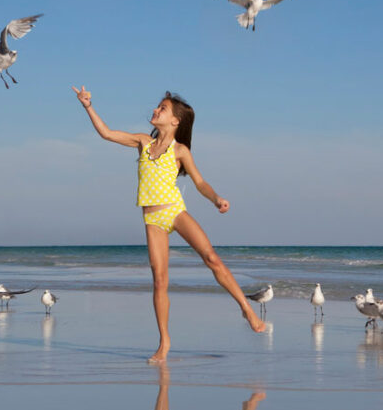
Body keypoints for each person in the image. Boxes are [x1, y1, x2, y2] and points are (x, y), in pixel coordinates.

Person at [72, 86, 266, 362]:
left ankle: (246, 309)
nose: (155, 110)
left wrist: (216, 199)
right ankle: (164, 342)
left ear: (175, 120)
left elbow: (199, 182)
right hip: (152, 219)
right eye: (157, 106)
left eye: (162, 108)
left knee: (211, 258)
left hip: (174, 211)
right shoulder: (142, 142)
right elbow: (107, 133)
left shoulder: (180, 150)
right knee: (160, 281)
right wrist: (88, 106)